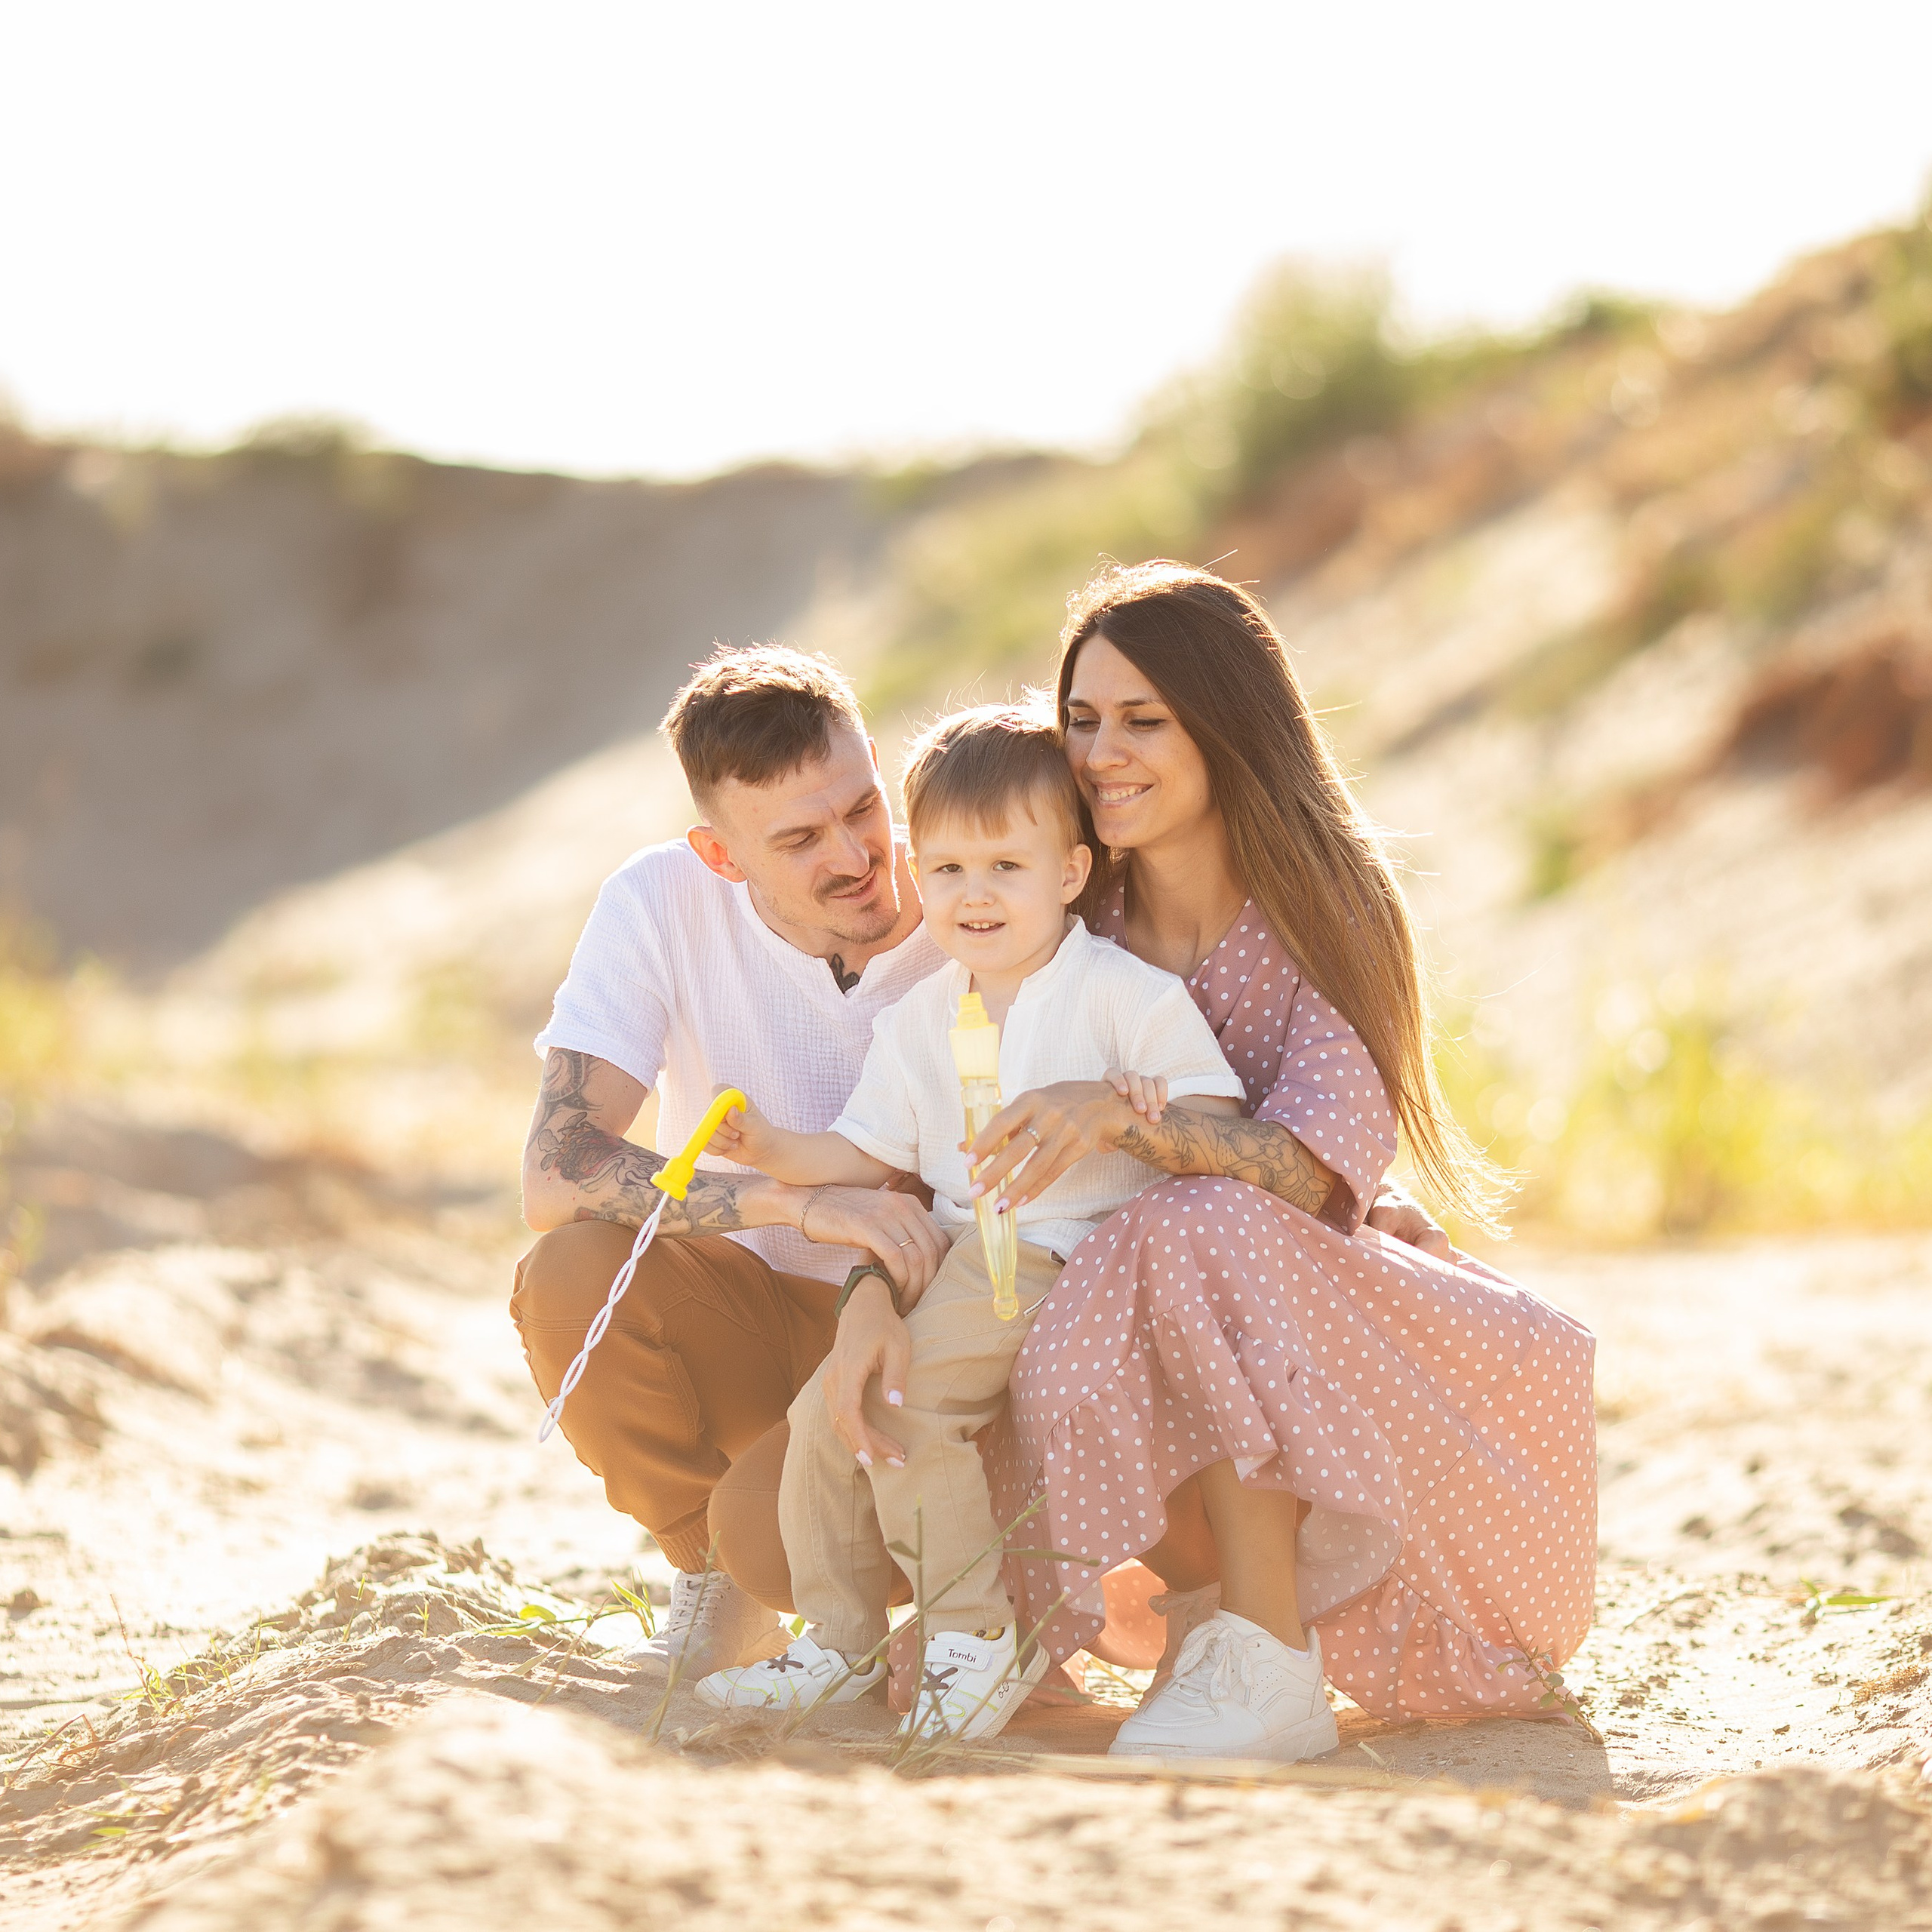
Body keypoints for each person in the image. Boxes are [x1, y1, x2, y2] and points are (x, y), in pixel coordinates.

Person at [510, 632, 1450, 1690]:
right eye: (800, 838)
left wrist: (1360, 1185)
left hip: (965, 1294)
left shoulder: (1001, 890)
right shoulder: (657, 906)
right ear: (722, 856)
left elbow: (1178, 1065)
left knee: (775, 1524)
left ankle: (1020, 1622)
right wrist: (808, 1210)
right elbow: (558, 1172)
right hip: (780, 1302)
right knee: (568, 1278)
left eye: (864, 808)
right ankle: (712, 1588)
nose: (859, 858)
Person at [946, 561, 1600, 1759]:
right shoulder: (1066, 914)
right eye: (1082, 720)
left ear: (1225, 726)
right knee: (1055, 1288)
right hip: (1115, 1304)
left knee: (1204, 1221)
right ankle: (1217, 1629)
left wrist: (1123, 1119)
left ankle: (1270, 1654)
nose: (1101, 754)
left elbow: (1313, 1172)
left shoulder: (1317, 903)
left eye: (1145, 720)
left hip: (1310, 1298)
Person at [692, 706, 1248, 1742]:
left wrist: (1130, 1110)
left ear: (1072, 873)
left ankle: (972, 1642)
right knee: (833, 1407)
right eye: (945, 870)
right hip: (957, 1255)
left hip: (1061, 1255)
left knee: (905, 1407)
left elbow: (1219, 1123)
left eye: (1005, 865)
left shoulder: (1122, 994)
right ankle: (838, 1639)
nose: (973, 894)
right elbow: (865, 1153)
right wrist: (768, 1146)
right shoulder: (922, 1018)